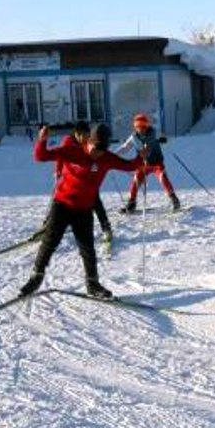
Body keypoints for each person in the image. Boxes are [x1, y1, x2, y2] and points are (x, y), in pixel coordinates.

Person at [20, 124, 142, 299]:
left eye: (102, 148)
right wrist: (42, 139)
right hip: (62, 205)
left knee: (87, 248)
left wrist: (141, 157)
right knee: (49, 242)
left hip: (84, 209)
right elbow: (41, 156)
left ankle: (93, 284)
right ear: (88, 141)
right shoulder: (72, 151)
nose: (97, 152)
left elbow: (129, 166)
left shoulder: (106, 158)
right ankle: (36, 278)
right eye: (95, 147)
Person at [117, 114, 180, 212]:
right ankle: (131, 203)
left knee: (163, 178)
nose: (141, 129)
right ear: (135, 127)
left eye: (143, 126)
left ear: (147, 126)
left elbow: (162, 138)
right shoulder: (134, 137)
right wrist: (114, 155)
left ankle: (174, 199)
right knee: (136, 181)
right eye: (138, 127)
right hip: (143, 164)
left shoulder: (153, 133)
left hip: (156, 163)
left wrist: (163, 139)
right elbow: (125, 147)